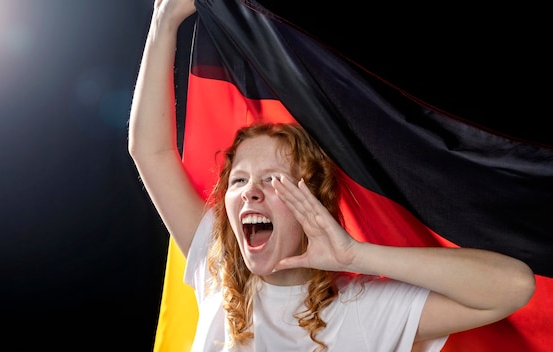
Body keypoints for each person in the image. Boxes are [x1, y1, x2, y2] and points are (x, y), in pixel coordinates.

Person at [128, 0, 536, 351]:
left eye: (273, 179)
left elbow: (514, 286)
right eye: (239, 180)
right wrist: (164, 19)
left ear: (313, 201)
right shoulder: (218, 274)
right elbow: (151, 152)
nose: (250, 192)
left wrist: (354, 255)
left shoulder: (358, 307)